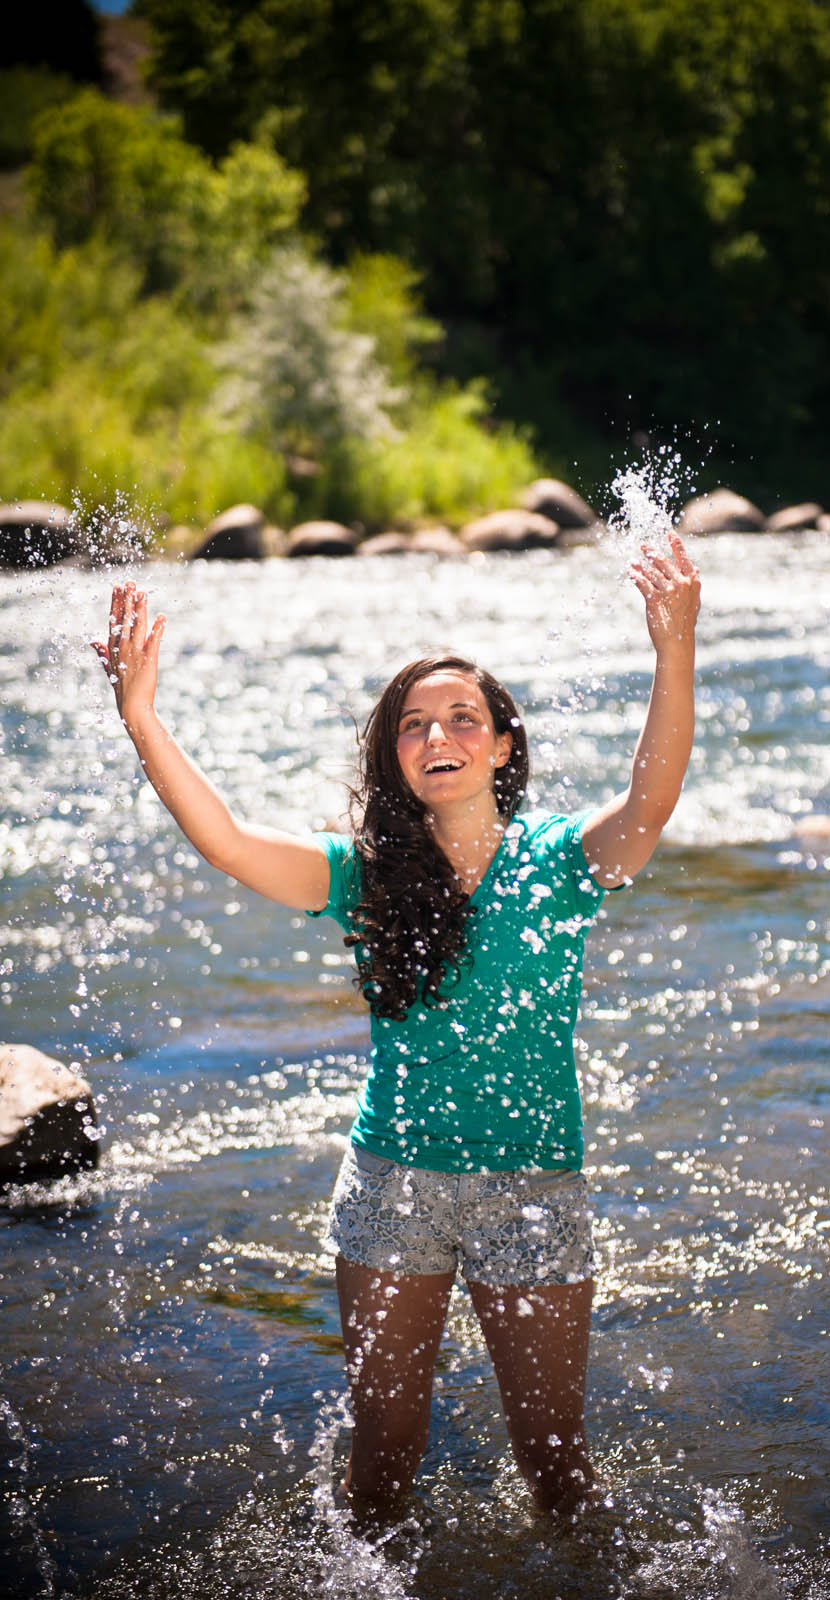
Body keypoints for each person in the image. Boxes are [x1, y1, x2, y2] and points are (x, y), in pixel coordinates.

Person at [92, 530, 700, 1521]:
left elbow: (653, 796)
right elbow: (233, 844)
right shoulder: (366, 875)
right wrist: (142, 718)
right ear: (397, 754)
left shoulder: (560, 862)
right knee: (381, 1468)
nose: (437, 735)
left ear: (502, 744)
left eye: (462, 716)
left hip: (533, 1189)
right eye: (415, 723)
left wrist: (673, 649)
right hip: (390, 1189)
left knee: (557, 1471)